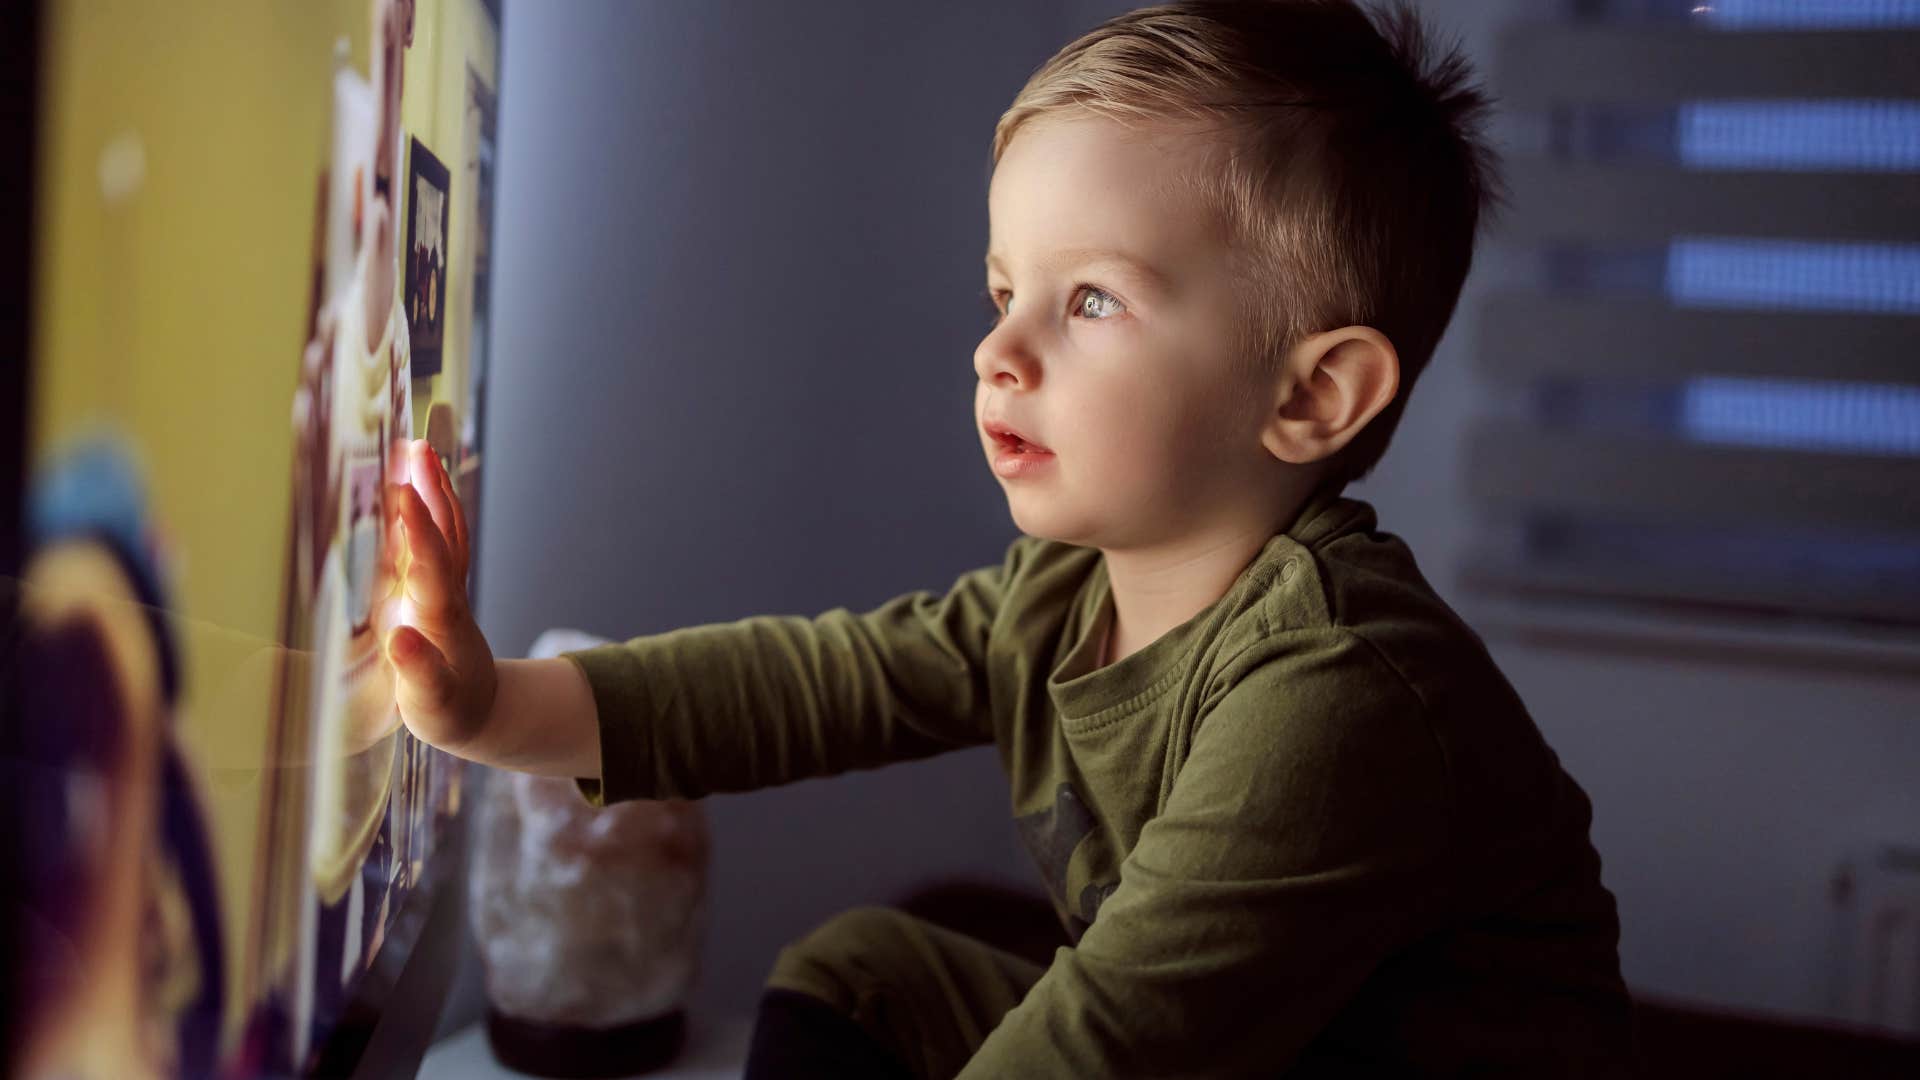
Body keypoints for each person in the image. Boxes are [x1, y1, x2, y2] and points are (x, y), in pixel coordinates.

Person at [383, 1, 1638, 1075]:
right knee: (865, 973)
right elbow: (812, 683)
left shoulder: (1337, 696)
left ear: (1310, 397)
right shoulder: (1061, 594)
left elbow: (1102, 1047)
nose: (998, 351)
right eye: (1005, 291)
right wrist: (492, 706)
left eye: (1091, 298)